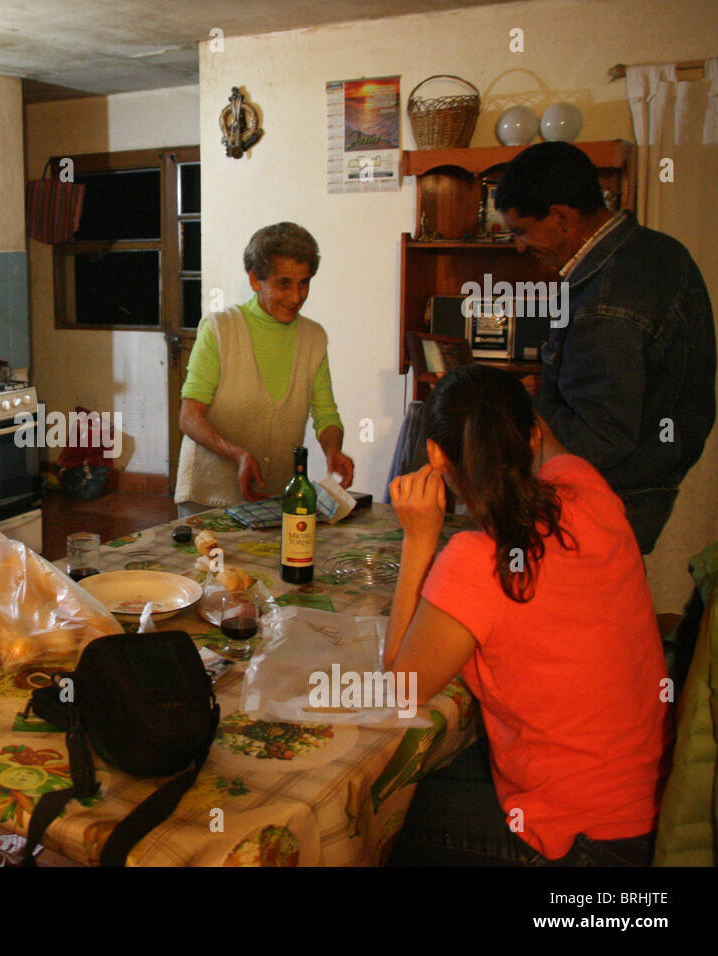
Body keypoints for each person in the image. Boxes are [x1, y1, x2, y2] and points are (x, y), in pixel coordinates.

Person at [383, 364, 668, 866]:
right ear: (532, 434)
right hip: (647, 805)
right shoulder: (588, 487)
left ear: (434, 456)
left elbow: (399, 691)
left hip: (587, 844)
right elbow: (542, 440)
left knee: (386, 811)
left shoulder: (474, 560)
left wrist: (418, 541)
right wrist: (498, 400)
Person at [495, 141, 715, 553]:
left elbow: (597, 440)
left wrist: (526, 411)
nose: (520, 246)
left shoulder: (606, 304)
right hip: (652, 481)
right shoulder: (659, 250)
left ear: (561, 217)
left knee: (577, 609)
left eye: (522, 230)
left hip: (613, 495)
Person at [174, 222, 353, 516]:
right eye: (284, 283)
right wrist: (237, 454)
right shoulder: (220, 329)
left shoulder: (314, 338)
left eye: (304, 282)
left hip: (273, 499)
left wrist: (333, 452)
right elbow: (189, 417)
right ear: (256, 280)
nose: (296, 297)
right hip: (207, 498)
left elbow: (326, 413)